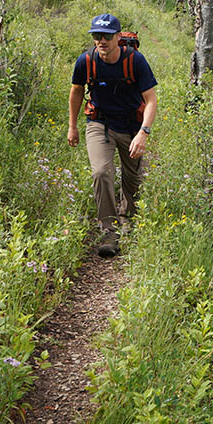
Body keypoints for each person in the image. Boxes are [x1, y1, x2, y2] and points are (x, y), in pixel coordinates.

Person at [67, 13, 158, 257]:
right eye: (97, 36)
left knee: (132, 177)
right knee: (101, 172)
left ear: (118, 37)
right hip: (100, 123)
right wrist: (72, 126)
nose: (101, 41)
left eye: (107, 36)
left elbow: (150, 100)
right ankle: (109, 231)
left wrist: (143, 133)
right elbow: (76, 92)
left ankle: (127, 220)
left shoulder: (135, 61)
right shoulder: (85, 61)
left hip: (131, 126)